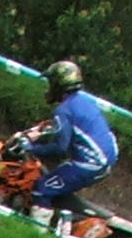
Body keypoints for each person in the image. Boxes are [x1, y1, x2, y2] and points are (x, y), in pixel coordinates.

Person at [13, 59, 119, 214]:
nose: (49, 87)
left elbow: (60, 148)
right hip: (108, 156)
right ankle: (59, 215)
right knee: (55, 178)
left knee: (40, 190)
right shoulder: (84, 101)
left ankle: (39, 228)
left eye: (51, 82)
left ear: (58, 84)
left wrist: (31, 148)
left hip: (91, 164)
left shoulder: (63, 110)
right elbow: (76, 130)